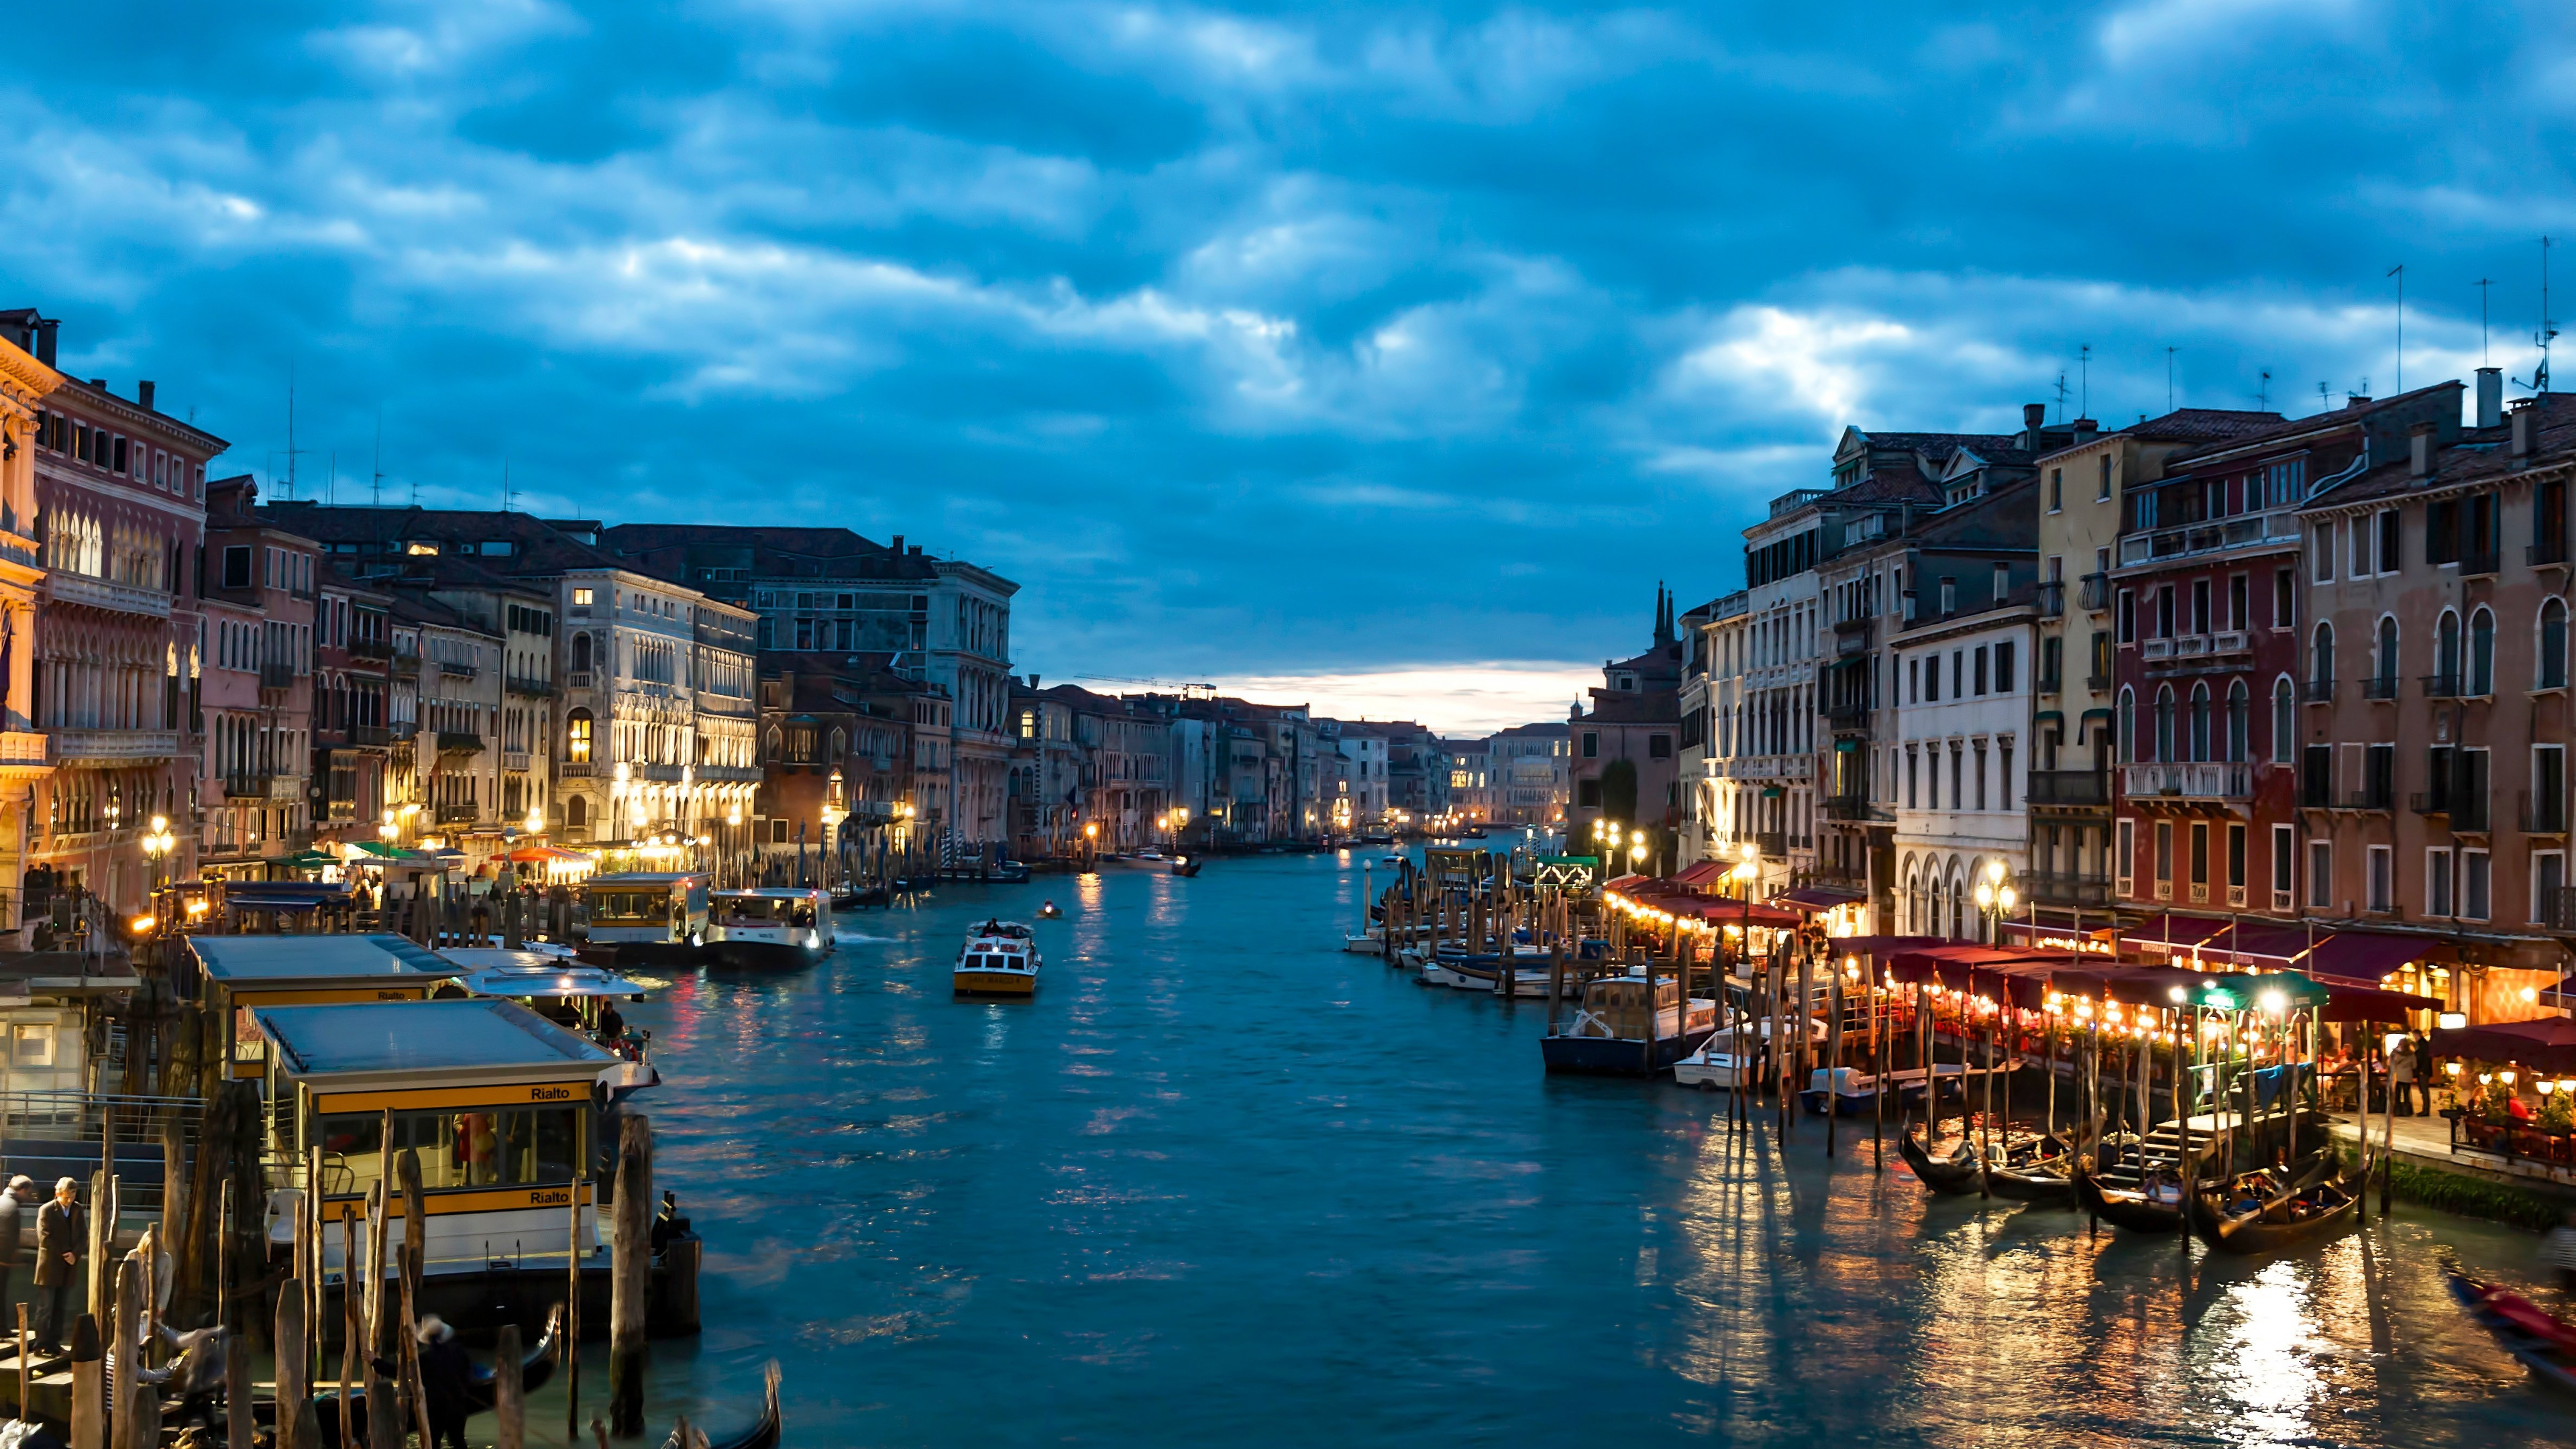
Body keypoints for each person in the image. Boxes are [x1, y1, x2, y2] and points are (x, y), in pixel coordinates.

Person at [34, 1178, 80, 1350]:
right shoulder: (46, 1210)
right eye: (66, 1197)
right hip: (50, 1266)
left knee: (60, 1306)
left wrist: (75, 1254)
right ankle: (41, 1344)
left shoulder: (77, 1210)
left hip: (68, 1266)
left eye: (72, 1196)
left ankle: (55, 1342)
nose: (69, 1201)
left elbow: (83, 1235)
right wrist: (64, 1254)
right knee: (46, 1307)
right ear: (58, 1194)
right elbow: (45, 1238)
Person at [413, 1316, 473, 1449]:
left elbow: (401, 1373)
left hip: (435, 1407)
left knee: (433, 1442)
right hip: (457, 1404)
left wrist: (375, 1362)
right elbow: (468, 1374)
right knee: (458, 1441)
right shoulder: (458, 1352)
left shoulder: (423, 1358)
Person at [0, 1175, 30, 1328]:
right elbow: (9, 1236)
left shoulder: (2, 1201)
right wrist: (10, 1259)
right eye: (28, 1192)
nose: (28, 1196)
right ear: (22, 1189)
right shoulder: (13, 1207)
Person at [2545, 1210, 2576, 1293]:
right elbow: (2549, 1246)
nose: (2574, 1220)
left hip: (2573, 1269)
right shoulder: (2559, 1232)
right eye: (2573, 1217)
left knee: (2570, 1291)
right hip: (2559, 1267)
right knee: (2559, 1289)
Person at [2389, 1036, 2418, 1117]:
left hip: (2397, 1076)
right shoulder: (2411, 1054)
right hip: (2408, 1076)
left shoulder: (2395, 1053)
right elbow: (2415, 1065)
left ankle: (2397, 1111)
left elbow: (2390, 1063)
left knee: (2397, 1094)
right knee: (2406, 1094)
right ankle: (2406, 1111)